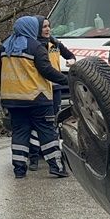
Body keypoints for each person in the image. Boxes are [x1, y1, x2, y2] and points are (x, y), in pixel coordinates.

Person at [0, 16, 70, 179]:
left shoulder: (5, 46)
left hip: (12, 99)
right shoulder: (36, 46)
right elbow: (46, 70)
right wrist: (67, 80)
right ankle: (56, 167)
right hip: (37, 98)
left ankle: (19, 170)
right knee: (47, 132)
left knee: (19, 133)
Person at [28, 17, 74, 169]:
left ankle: (56, 155)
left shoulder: (55, 43)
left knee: (54, 122)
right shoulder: (34, 45)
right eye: (44, 27)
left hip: (56, 89)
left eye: (49, 26)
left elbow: (70, 55)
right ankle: (34, 157)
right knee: (38, 124)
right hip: (40, 90)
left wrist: (71, 61)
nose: (47, 29)